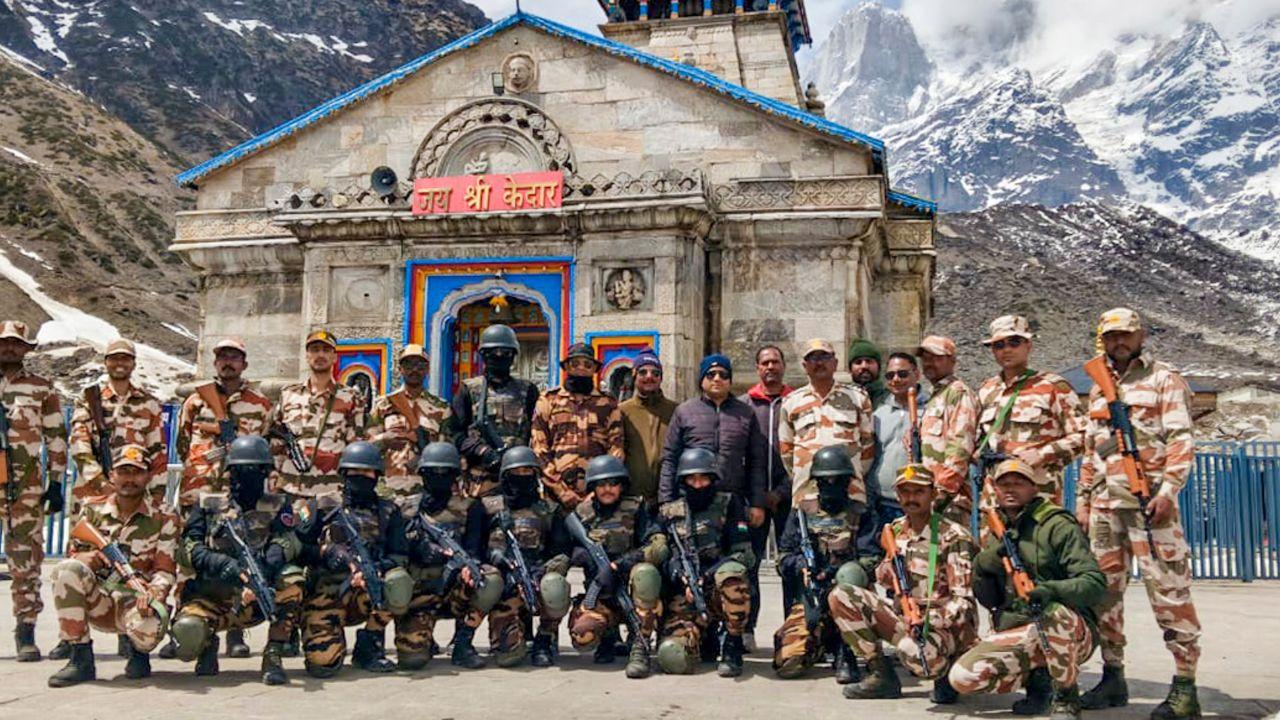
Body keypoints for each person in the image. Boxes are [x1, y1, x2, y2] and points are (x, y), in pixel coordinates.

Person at [1076, 308, 1203, 720]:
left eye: (1126, 335)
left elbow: (1181, 439)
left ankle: (1185, 687)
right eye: (1111, 336)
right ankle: (1113, 677)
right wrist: (1083, 499)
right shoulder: (1098, 387)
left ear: (1141, 335)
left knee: (1169, 594)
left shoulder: (1163, 380)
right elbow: (1093, 450)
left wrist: (1169, 490)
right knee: (1105, 597)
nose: (1119, 342)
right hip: (1105, 508)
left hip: (1150, 506)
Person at [949, 458, 1105, 720]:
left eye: (1019, 483)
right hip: (1021, 627)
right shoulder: (995, 529)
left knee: (1054, 613)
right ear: (995, 491)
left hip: (1069, 631)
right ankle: (1038, 682)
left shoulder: (1057, 525)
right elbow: (990, 599)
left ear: (1034, 488)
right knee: (963, 678)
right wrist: (984, 567)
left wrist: (1051, 590)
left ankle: (1066, 696)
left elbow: (1094, 583)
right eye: (1004, 484)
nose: (1011, 489)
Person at [830, 463, 977, 703]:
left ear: (933, 494)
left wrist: (930, 620)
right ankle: (880, 674)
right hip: (907, 617)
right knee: (841, 596)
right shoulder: (896, 530)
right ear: (897, 496)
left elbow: (964, 603)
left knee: (914, 652)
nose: (911, 498)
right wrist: (884, 571)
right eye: (905, 492)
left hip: (946, 627)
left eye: (918, 492)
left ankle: (946, 672)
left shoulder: (953, 536)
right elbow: (882, 576)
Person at [169, 436, 304, 685]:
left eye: (254, 469)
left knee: (293, 577)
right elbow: (186, 549)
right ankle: (207, 644)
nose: (247, 475)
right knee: (186, 638)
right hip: (213, 596)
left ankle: (274, 654)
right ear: (230, 472)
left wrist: (270, 559)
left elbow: (292, 540)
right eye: (241, 470)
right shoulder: (208, 504)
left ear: (265, 472)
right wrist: (221, 564)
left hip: (258, 599)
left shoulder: (278, 504)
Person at [171, 336, 274, 659]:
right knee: (189, 565)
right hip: (198, 493)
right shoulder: (195, 402)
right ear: (215, 363)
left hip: (238, 496)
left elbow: (265, 448)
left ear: (244, 363)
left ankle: (234, 632)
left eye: (234, 357)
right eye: (222, 357)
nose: (227, 362)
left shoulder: (260, 405)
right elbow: (183, 444)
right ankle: (185, 627)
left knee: (238, 558)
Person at [47, 445, 178, 687]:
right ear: (111, 475)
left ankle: (139, 654)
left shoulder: (164, 515)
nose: (129, 479)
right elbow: (73, 552)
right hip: (100, 600)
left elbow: (165, 568)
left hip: (137, 602)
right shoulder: (92, 509)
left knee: (149, 626)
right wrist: (84, 558)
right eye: (123, 472)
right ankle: (80, 658)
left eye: (137, 472)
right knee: (66, 571)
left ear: (148, 477)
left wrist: (153, 593)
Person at [296, 441, 411, 677]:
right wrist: (326, 553)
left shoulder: (388, 510)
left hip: (367, 589)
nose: (361, 477)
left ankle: (370, 645)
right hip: (325, 592)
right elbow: (298, 548)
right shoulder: (321, 504)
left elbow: (399, 555)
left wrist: (378, 569)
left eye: (367, 472)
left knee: (398, 583)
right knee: (323, 665)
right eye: (354, 472)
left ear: (376, 475)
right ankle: (326, 639)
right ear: (344, 474)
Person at [773, 445, 880, 683]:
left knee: (849, 580)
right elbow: (784, 556)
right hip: (811, 595)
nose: (831, 485)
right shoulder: (801, 512)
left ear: (847, 481)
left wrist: (839, 572)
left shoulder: (861, 512)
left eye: (837, 480)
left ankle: (846, 652)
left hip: (848, 597)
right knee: (786, 664)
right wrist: (801, 564)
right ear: (816, 482)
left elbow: (871, 558)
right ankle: (818, 643)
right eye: (825, 480)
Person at [396, 441, 501, 670]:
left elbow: (474, 549)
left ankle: (463, 643)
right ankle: (423, 637)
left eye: (446, 473)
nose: (439, 478)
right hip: (418, 593)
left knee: (490, 579)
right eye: (433, 472)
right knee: (412, 660)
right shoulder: (407, 509)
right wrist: (419, 548)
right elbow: (396, 554)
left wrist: (468, 566)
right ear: (422, 474)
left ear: (455, 475)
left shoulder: (470, 507)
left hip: (455, 589)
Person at [565, 454, 668, 678]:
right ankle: (607, 637)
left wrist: (618, 566)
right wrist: (583, 556)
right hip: (600, 593)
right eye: (601, 484)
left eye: (613, 484)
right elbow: (561, 549)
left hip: (633, 592)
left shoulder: (636, 508)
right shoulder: (582, 515)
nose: (608, 489)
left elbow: (658, 546)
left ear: (622, 486)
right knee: (583, 637)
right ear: (593, 487)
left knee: (646, 573)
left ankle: (639, 646)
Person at [655, 447, 756, 678]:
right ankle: (701, 637)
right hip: (684, 595)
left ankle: (732, 646)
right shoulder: (670, 512)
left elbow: (744, 553)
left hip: (717, 591)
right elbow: (663, 554)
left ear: (713, 479)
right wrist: (679, 574)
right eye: (692, 479)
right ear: (683, 481)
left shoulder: (729, 503)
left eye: (703, 478)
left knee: (732, 578)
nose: (698, 485)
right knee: (672, 658)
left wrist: (708, 576)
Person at [974, 315, 1086, 522]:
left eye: (1014, 342)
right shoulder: (987, 390)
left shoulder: (1052, 387)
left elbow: (1084, 436)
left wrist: (1042, 454)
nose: (1006, 349)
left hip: (1039, 494)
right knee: (993, 552)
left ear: (1028, 345)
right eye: (998, 345)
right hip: (995, 497)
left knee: (1039, 553)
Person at [0, 320, 67, 662]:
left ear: (26, 349)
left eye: (16, 343)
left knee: (25, 561)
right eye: (5, 342)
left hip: (23, 488)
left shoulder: (42, 388)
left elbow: (56, 439)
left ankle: (25, 630)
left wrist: (55, 483)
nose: (9, 348)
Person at [482, 445, 571, 667]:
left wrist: (542, 572)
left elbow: (562, 552)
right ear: (505, 476)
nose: (522, 478)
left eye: (527, 472)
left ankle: (544, 639)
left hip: (535, 578)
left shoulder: (548, 510)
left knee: (555, 586)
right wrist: (496, 560)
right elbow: (473, 547)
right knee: (508, 657)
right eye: (516, 472)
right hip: (503, 586)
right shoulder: (487, 507)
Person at [658, 353, 767, 532]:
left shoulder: (746, 413)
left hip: (733, 501)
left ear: (730, 380)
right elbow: (670, 458)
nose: (717, 379)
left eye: (723, 375)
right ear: (702, 380)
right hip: (693, 500)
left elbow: (756, 462)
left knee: (738, 554)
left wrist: (757, 502)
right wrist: (666, 501)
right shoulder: (684, 412)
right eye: (711, 374)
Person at [267, 329, 366, 500]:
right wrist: (274, 476)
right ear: (306, 355)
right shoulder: (288, 395)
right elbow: (277, 440)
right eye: (314, 349)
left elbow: (354, 444)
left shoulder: (350, 397)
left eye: (326, 350)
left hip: (332, 491)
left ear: (335, 357)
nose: (320, 354)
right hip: (290, 488)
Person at [740, 344, 794, 650]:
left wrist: (782, 492)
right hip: (754, 500)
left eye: (775, 362)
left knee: (789, 565)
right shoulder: (746, 405)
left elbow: (802, 453)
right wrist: (757, 497)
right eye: (764, 363)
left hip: (789, 497)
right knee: (750, 564)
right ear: (757, 368)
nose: (770, 367)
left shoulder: (796, 401)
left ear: (784, 366)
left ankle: (791, 629)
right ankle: (747, 627)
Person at [778, 339, 875, 509]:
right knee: (805, 535)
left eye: (824, 357)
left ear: (835, 363)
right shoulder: (791, 402)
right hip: (807, 492)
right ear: (804, 365)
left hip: (849, 490)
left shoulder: (858, 398)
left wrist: (852, 474)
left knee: (853, 535)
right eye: (813, 358)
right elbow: (786, 450)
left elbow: (868, 446)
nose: (819, 362)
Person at [69, 338, 166, 504]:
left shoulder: (149, 404)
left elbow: (157, 453)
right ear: (106, 362)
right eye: (114, 358)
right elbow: (79, 445)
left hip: (135, 491)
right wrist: (100, 482)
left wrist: (157, 495)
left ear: (134, 364)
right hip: (93, 491)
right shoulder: (89, 399)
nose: (119, 363)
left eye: (125, 358)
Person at [530, 342, 624, 511]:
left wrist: (598, 491)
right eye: (575, 364)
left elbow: (616, 449)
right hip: (556, 497)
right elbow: (539, 449)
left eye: (587, 364)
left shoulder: (608, 403)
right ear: (566, 366)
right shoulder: (548, 401)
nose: (581, 368)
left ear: (595, 369)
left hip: (598, 496)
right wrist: (560, 490)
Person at [451, 324, 539, 498]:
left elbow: (537, 433)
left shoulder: (528, 390)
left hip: (519, 475)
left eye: (505, 353)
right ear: (483, 355)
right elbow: (455, 434)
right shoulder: (468, 389)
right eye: (492, 353)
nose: (498, 357)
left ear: (513, 356)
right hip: (481, 478)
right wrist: (482, 451)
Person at [368, 343, 454, 513]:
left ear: (427, 370)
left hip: (425, 490)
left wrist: (423, 440)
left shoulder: (441, 407)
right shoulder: (383, 404)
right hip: (387, 489)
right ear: (400, 369)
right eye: (408, 364)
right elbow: (366, 445)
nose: (414, 369)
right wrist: (384, 439)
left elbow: (448, 450)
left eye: (420, 365)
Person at [915, 335, 979, 526]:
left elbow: (960, 447)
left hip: (950, 500)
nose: (929, 363)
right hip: (930, 495)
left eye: (936, 357)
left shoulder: (958, 393)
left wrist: (941, 493)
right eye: (925, 358)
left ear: (952, 360)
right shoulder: (936, 396)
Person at [869, 352, 928, 525]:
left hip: (918, 503)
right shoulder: (878, 415)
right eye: (890, 375)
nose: (896, 379)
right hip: (882, 503)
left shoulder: (932, 411)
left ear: (917, 374)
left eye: (902, 374)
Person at [619, 350, 677, 510]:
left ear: (661, 377)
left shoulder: (676, 411)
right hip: (630, 500)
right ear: (634, 375)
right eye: (643, 372)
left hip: (667, 499)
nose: (649, 376)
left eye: (655, 373)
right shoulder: (622, 411)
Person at [847, 337, 888, 408]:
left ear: (879, 366)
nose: (864, 366)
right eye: (858, 362)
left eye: (869, 361)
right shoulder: (844, 399)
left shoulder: (890, 398)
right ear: (850, 369)